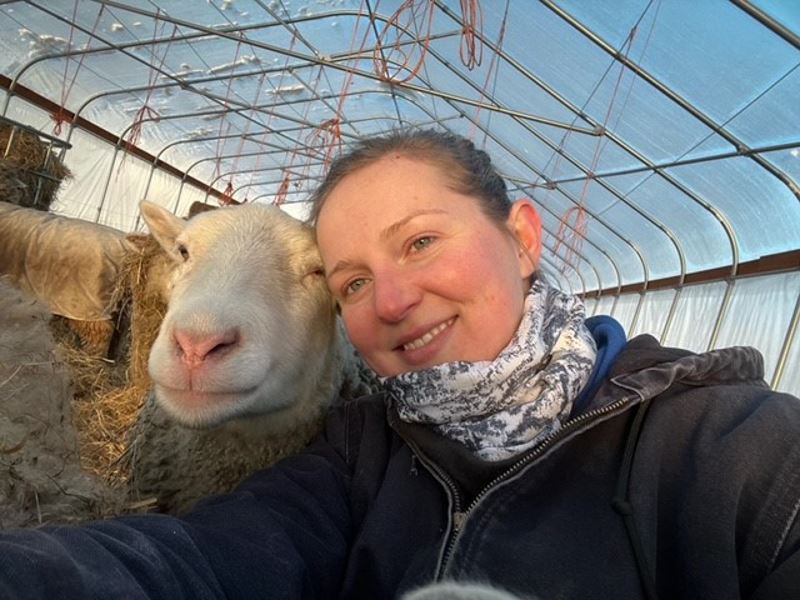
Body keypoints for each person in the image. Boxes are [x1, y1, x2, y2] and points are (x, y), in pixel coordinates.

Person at [1, 129, 798, 600]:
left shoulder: (732, 452)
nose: (391, 300)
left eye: (420, 242)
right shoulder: (360, 455)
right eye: (349, 279)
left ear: (523, 238)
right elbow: (196, 558)